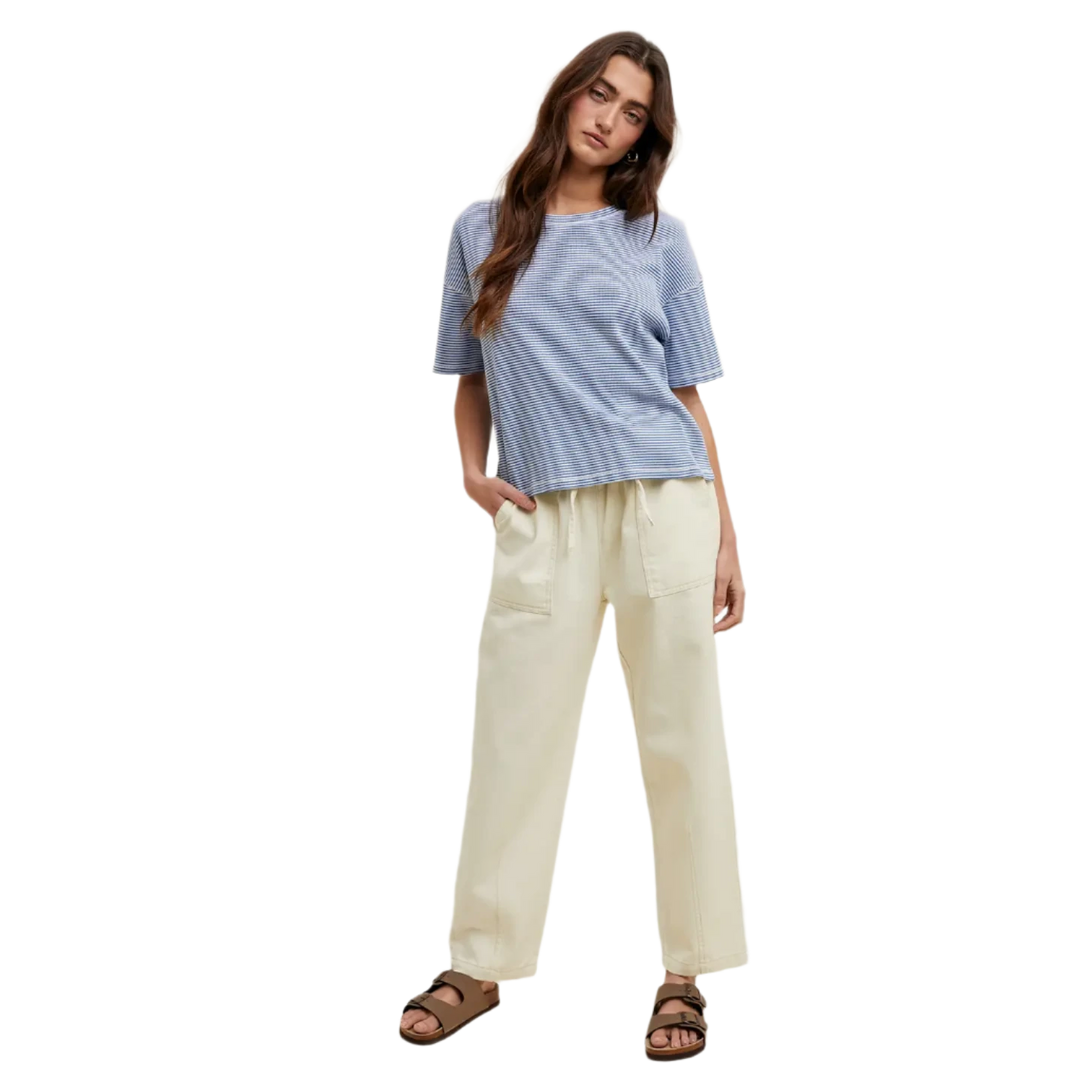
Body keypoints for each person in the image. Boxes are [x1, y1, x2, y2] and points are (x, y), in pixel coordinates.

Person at [398, 28, 750, 1062]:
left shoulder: (662, 237)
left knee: (682, 735)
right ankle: (480, 963)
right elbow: (465, 371)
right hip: (540, 510)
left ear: (649, 135)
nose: (609, 119)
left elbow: (688, 396)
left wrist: (727, 538)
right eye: (600, 93)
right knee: (514, 734)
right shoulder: (478, 225)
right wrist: (471, 472)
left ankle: (685, 970)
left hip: (661, 501)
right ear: (565, 93)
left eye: (634, 112)